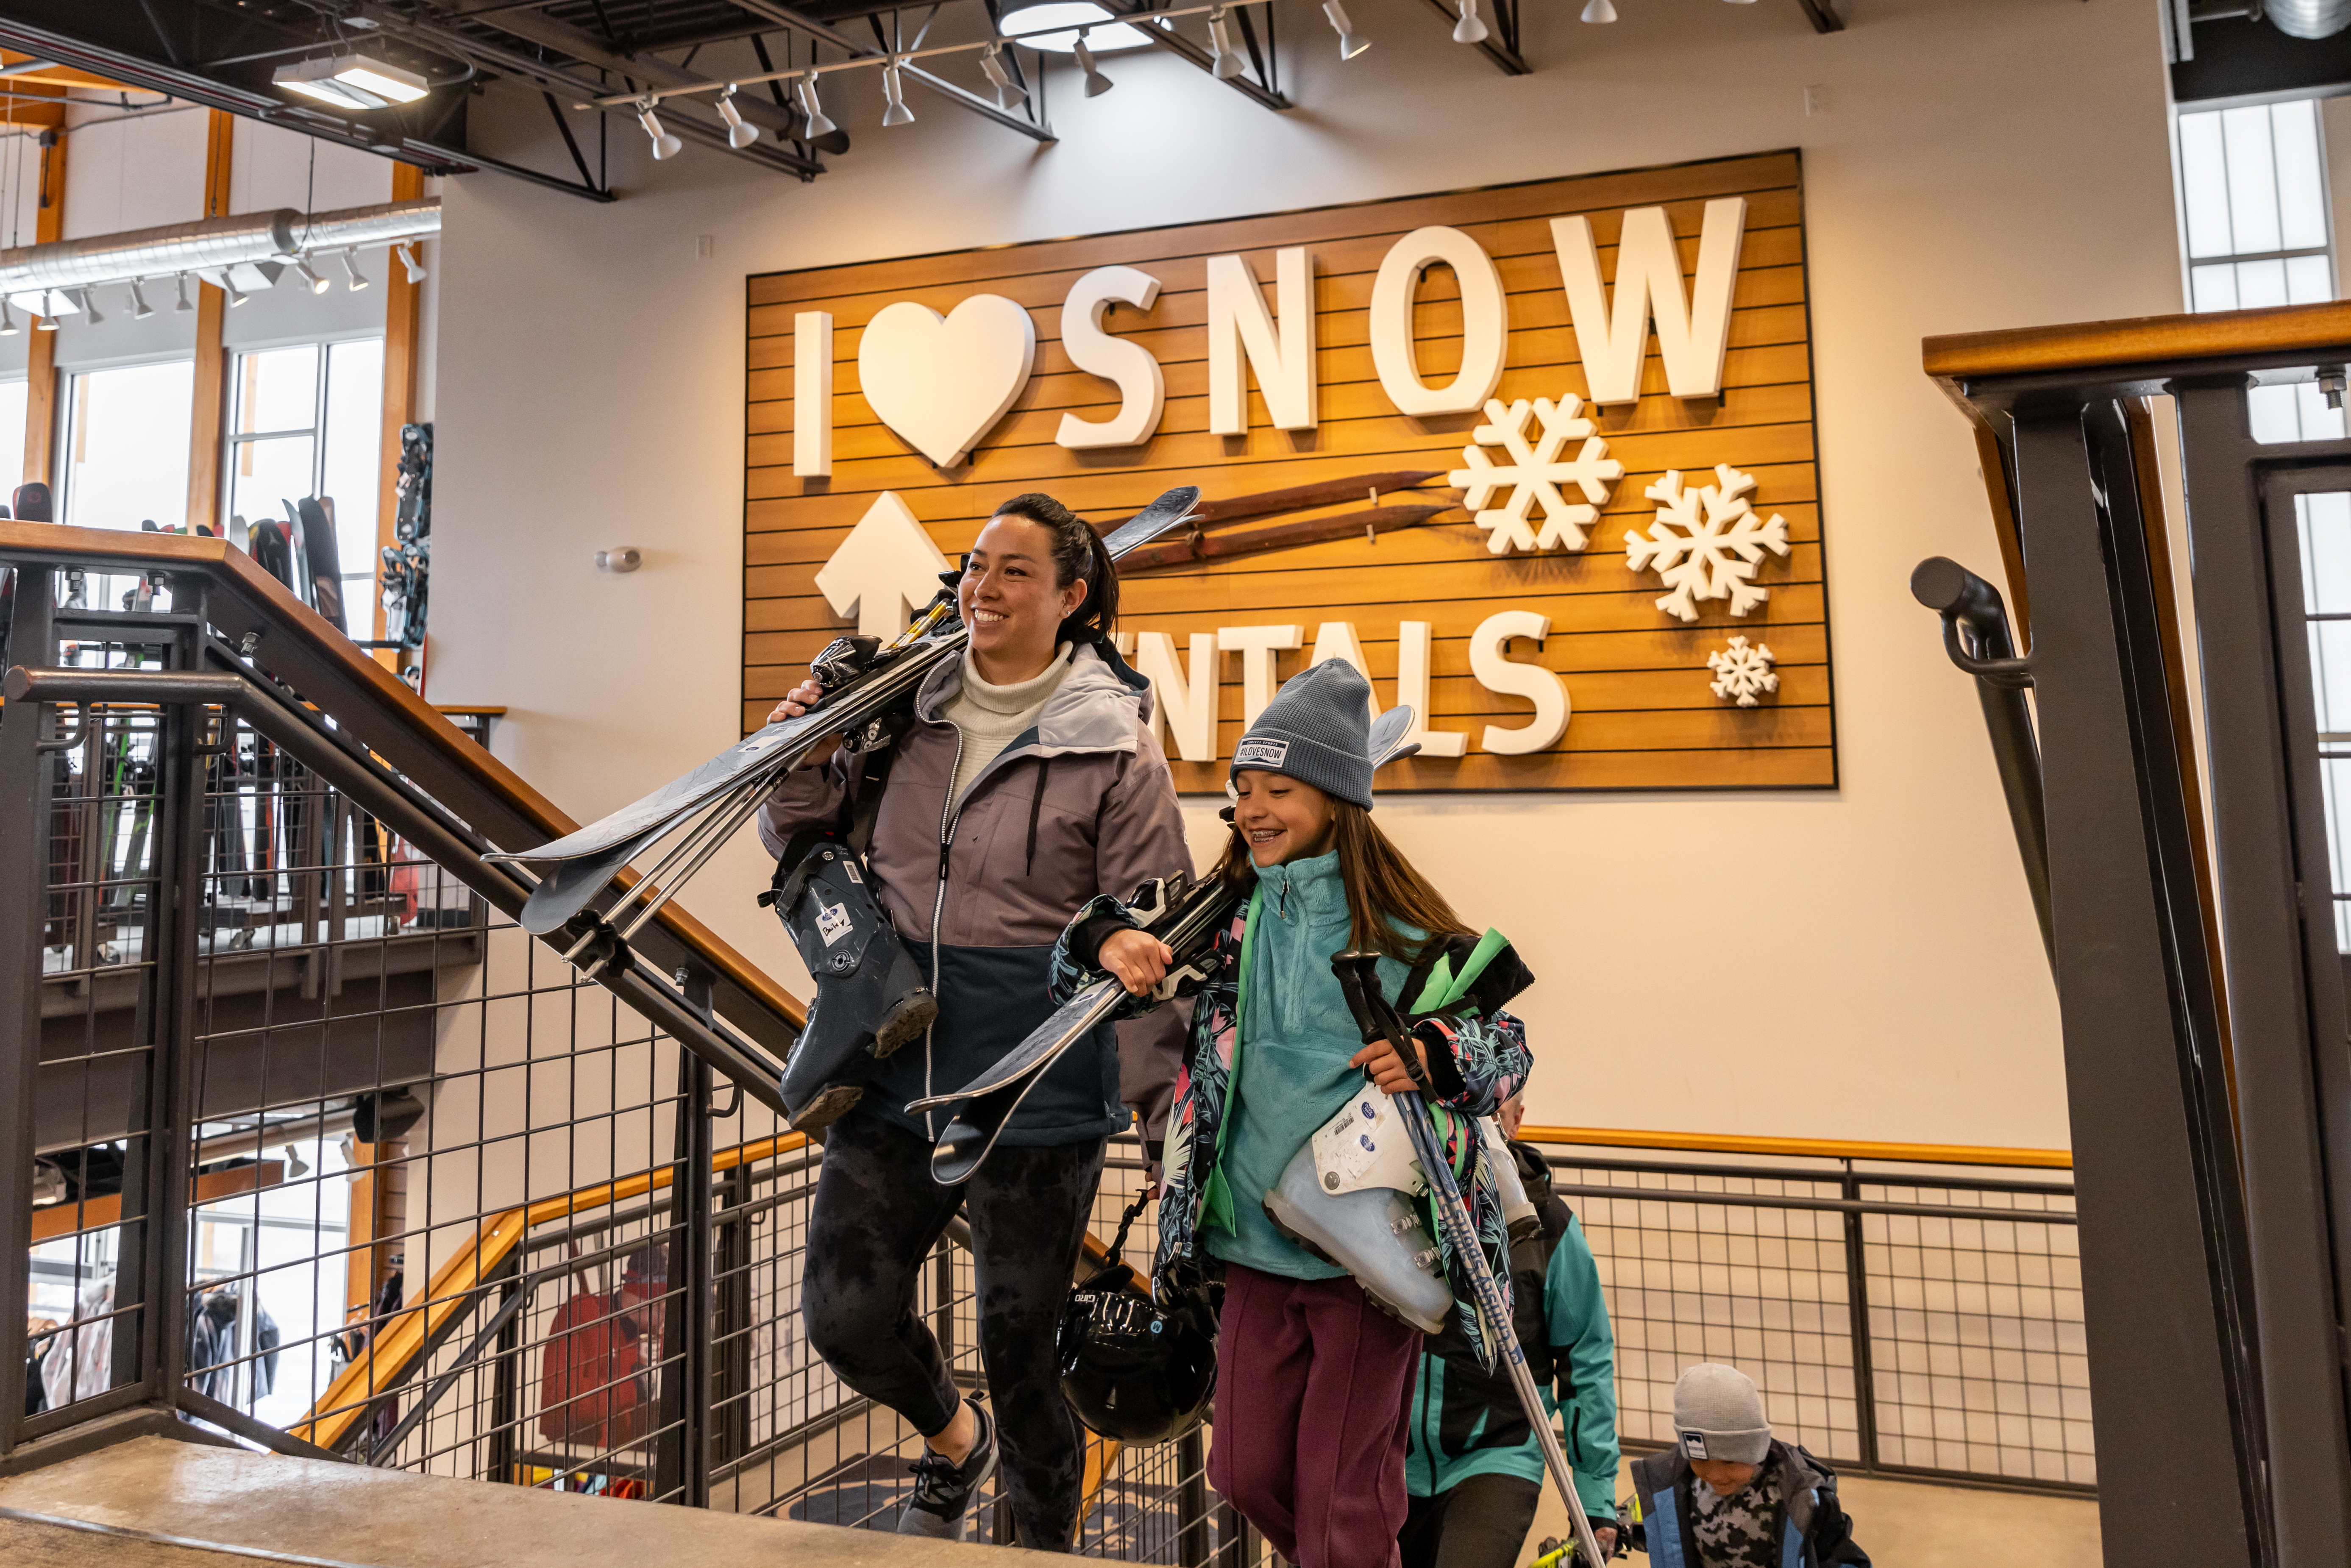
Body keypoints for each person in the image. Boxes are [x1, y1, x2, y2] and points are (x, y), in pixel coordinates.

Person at [757, 492, 1191, 1547]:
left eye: (1012, 572)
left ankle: (1032, 1546)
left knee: (1022, 1350)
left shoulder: (1114, 746)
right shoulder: (908, 705)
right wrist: (802, 752)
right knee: (845, 1313)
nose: (981, 589)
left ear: (1071, 597)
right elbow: (800, 830)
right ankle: (957, 1441)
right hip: (899, 1047)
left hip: (1039, 1083)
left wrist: (1161, 1119)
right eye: (974, 566)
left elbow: (1149, 941)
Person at [1057, 660, 1532, 1568]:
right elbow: (1076, 962)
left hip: (1366, 1257)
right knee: (1242, 1470)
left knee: (1343, 1501)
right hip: (1248, 1247)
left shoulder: (1398, 931)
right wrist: (1103, 938)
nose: (1253, 808)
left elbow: (1502, 1047)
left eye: (1279, 788)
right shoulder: (1218, 919)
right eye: (1242, 790)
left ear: (1337, 800)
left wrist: (1433, 1054)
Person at [1399, 1093, 1618, 1568]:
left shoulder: (1550, 1227)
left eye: (1490, 1114)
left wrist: (1596, 1496)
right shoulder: (1395, 1207)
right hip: (1389, 1451)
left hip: (1497, 1452)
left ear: (1515, 1121)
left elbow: (1586, 1362)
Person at [1627, 1363, 1870, 1567]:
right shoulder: (1668, 1488)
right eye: (1701, 1460)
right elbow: (1661, 1534)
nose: (1716, 1474)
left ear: (1756, 1450)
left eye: (1730, 1461)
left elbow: (1841, 1558)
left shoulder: (1802, 1496)